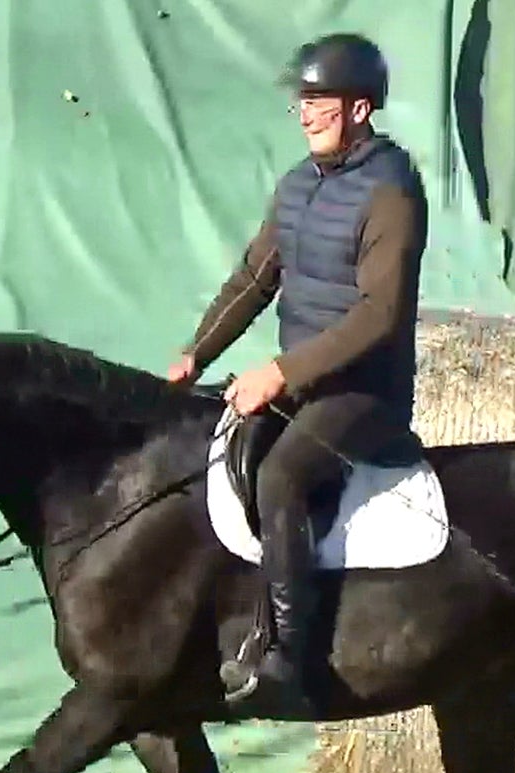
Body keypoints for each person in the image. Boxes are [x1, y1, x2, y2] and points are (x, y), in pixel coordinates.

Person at [167, 32, 429, 719]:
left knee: (284, 475)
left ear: (362, 109)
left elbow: (381, 313)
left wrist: (279, 372)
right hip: (302, 385)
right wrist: (196, 352)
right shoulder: (297, 186)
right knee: (217, 450)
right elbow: (256, 278)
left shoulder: (392, 192)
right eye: (302, 102)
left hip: (362, 395)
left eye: (319, 100)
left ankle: (290, 658)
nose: (306, 113)